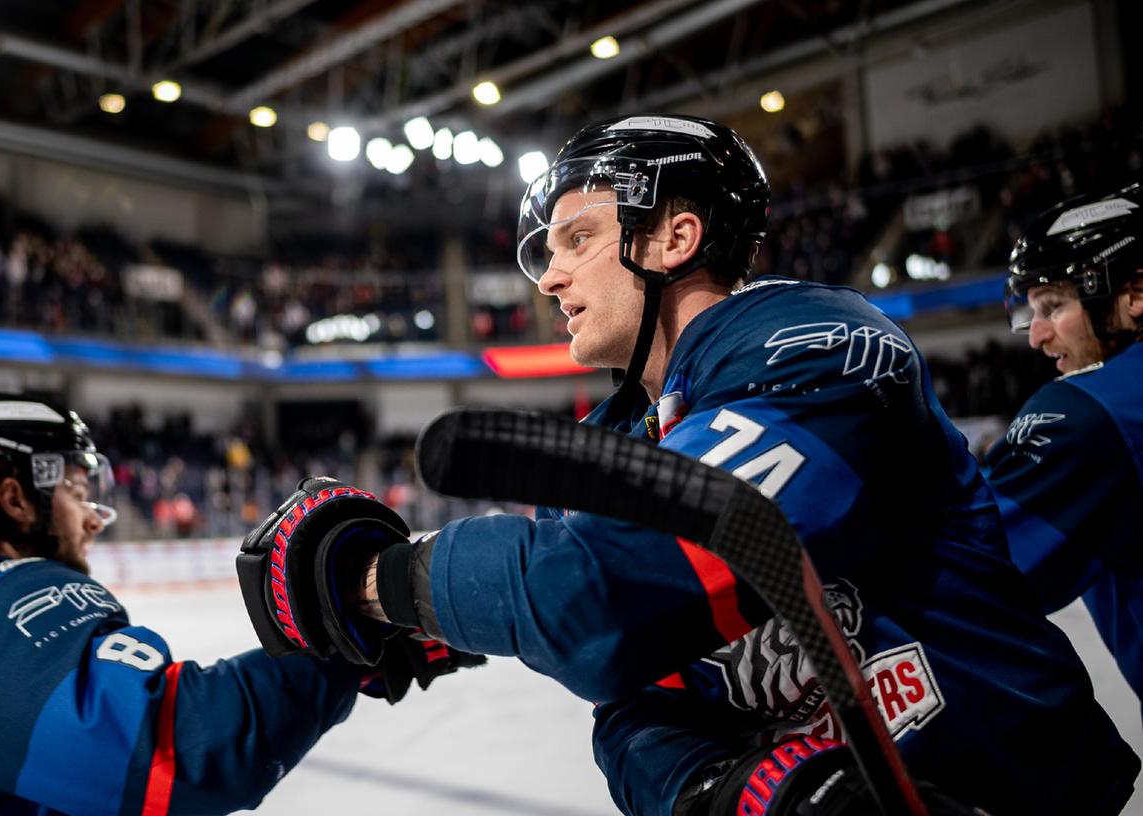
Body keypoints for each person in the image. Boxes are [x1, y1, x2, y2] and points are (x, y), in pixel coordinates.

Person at [239, 115, 1139, 815]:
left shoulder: (816, 342)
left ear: (672, 238)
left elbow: (599, 590)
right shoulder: (630, 428)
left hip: (1003, 787)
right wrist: (745, 797)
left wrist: (373, 580)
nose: (546, 278)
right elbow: (624, 692)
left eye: (575, 240)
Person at [0, 392, 477, 815]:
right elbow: (176, 751)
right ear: (13, 497)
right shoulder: (8, 600)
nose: (91, 516)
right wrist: (339, 634)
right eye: (77, 490)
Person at [983, 182, 1143, 708]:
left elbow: (974, 565)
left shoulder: (1091, 411)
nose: (1036, 335)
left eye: (1053, 305)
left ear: (1134, 294)